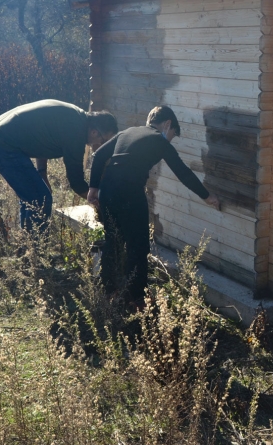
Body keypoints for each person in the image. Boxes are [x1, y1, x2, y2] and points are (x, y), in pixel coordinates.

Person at [87, 106, 220, 302]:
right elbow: (183, 172)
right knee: (138, 247)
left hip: (108, 190)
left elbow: (98, 156)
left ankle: (108, 294)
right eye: (173, 134)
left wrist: (93, 188)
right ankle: (136, 301)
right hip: (130, 193)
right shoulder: (160, 140)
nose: (171, 139)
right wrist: (207, 196)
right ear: (167, 125)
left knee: (113, 241)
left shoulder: (128, 131)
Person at [0, 100, 118, 232]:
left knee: (32, 196)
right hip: (1, 145)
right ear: (94, 132)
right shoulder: (76, 134)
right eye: (104, 141)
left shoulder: (76, 117)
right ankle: (36, 246)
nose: (102, 146)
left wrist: (42, 173)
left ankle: (27, 244)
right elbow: (76, 182)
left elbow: (41, 138)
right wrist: (99, 203)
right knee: (40, 198)